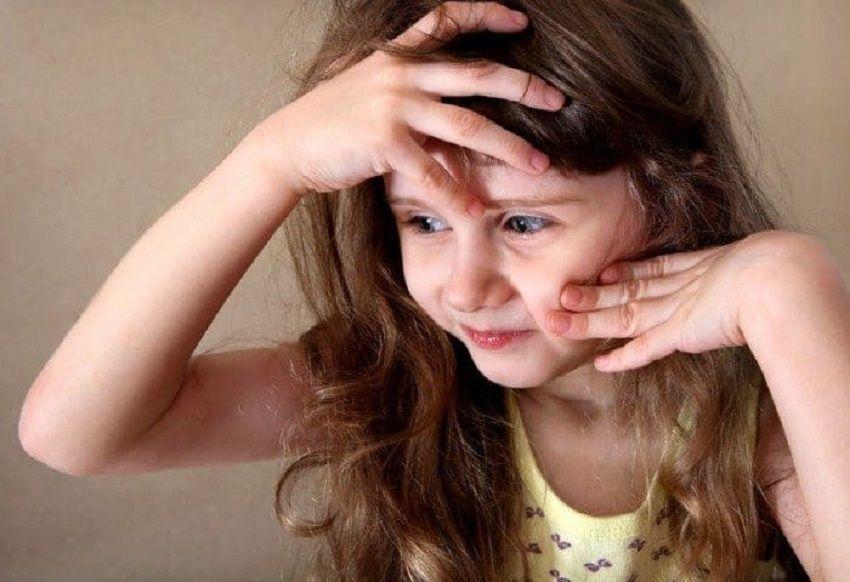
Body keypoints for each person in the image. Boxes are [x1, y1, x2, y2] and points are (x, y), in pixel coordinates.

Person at [18, 1, 849, 580]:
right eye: (424, 221)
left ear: (678, 202)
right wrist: (269, 164)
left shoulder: (756, 409)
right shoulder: (393, 383)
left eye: (524, 222)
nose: (466, 287)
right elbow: (74, 436)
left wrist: (792, 295)